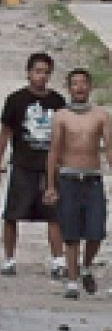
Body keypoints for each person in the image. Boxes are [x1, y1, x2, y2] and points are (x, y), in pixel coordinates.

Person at [0, 52, 68, 278]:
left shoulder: (57, 102)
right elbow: (5, 133)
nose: (41, 76)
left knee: (54, 215)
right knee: (12, 214)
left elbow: (63, 136)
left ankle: (57, 260)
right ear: (28, 73)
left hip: (49, 168)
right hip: (22, 164)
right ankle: (9, 258)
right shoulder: (16, 100)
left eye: (45, 72)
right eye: (37, 71)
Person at [45, 68, 109, 298]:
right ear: (69, 88)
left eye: (83, 83)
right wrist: (51, 185)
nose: (80, 88)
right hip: (68, 178)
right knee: (70, 233)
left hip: (92, 178)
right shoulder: (61, 116)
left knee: (96, 231)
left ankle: (85, 266)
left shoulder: (101, 115)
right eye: (75, 84)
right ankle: (72, 281)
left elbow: (109, 148)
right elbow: (54, 151)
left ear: (90, 87)